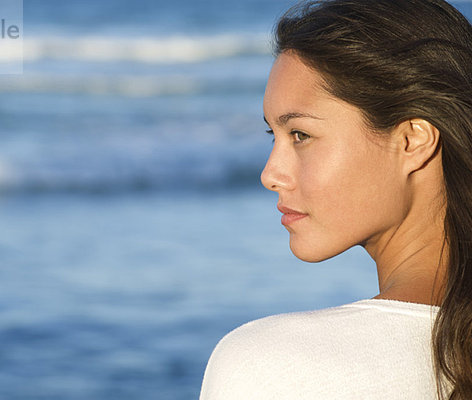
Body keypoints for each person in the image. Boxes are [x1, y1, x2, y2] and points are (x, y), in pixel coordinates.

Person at [199, 0, 472, 399]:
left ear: (412, 141)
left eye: (300, 135)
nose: (270, 174)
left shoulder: (272, 366)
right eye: (272, 137)